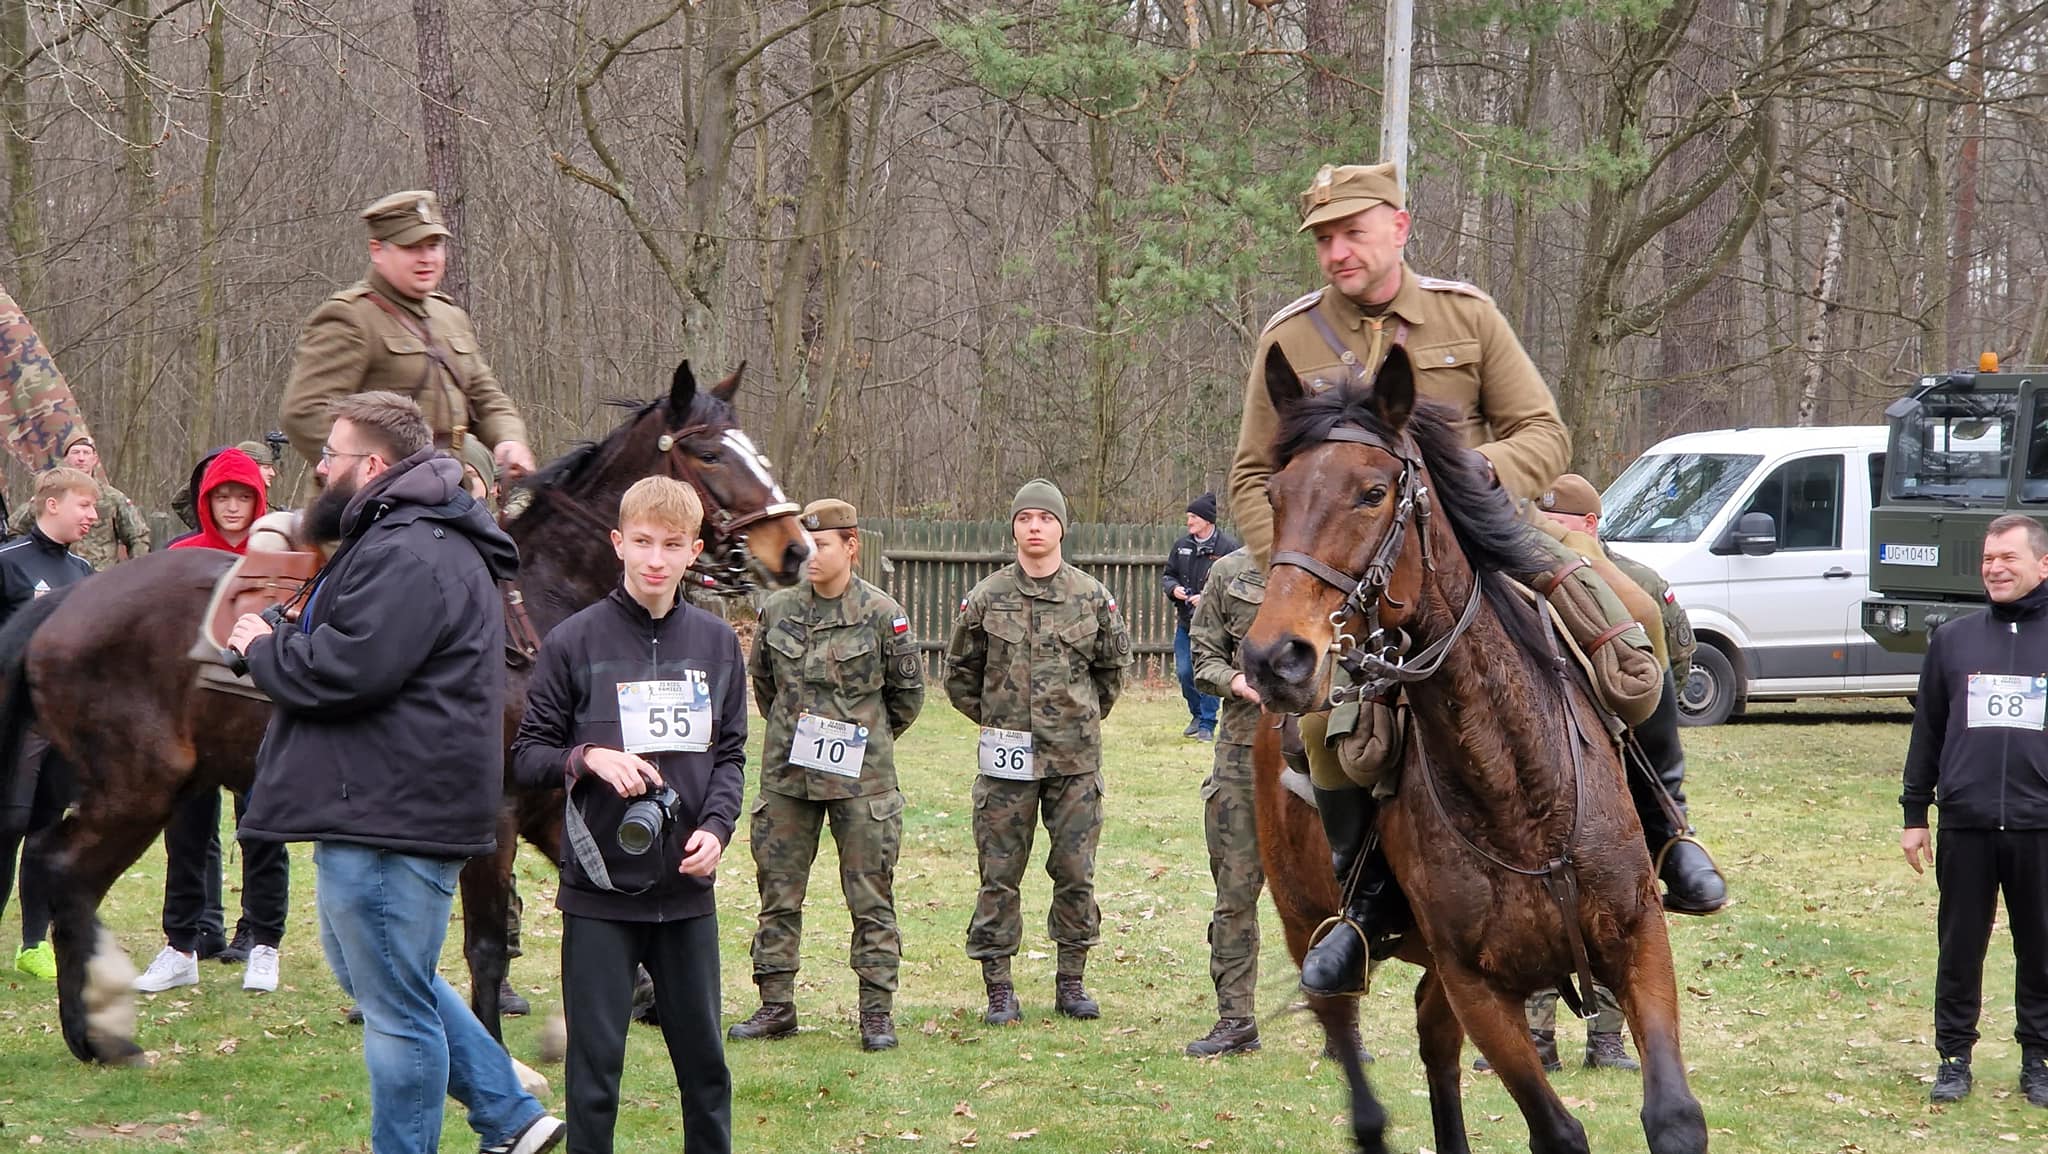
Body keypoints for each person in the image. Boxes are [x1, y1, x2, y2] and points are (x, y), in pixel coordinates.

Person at [1227, 162, 1723, 1001]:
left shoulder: (1467, 315)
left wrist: (1466, 481)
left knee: (1630, 620)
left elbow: (1543, 433)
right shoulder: (1292, 339)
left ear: (1399, 227)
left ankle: (1669, 829)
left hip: (1491, 541)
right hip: (1358, 576)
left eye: (1353, 233)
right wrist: (1299, 568)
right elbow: (1250, 473)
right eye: (1323, 239)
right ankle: (1360, 902)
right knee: (1319, 726)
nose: (1337, 252)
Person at [229, 392, 562, 1154]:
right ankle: (512, 1117)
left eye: (333, 455)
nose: (320, 467)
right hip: (388, 800)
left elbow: (351, 670)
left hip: (391, 810)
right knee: (378, 976)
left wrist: (261, 648)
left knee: (396, 1008)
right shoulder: (403, 537)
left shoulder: (410, 548)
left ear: (372, 466)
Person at [511, 475, 741, 1154]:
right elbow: (528, 757)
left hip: (686, 894)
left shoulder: (716, 643)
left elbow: (729, 757)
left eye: (672, 545)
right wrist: (587, 757)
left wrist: (717, 828)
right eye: (642, 542)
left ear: (694, 551)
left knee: (705, 1072)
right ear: (618, 543)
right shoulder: (575, 642)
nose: (655, 559)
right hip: (600, 896)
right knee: (593, 1078)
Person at [732, 498, 924, 1052]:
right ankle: (776, 1005)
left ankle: (876, 1012)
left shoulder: (882, 614)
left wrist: (862, 740)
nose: (810, 556)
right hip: (789, 778)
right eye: (805, 545)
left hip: (862, 783)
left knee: (870, 896)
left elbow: (905, 698)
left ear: (852, 547)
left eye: (823, 546)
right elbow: (764, 685)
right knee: (779, 893)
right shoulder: (778, 610)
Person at [946, 479, 1132, 1024]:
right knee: (999, 874)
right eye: (1025, 518)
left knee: (1075, 870)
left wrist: (1077, 720)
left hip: (1074, 762)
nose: (1034, 527)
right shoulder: (986, 597)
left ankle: (1071, 981)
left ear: (1061, 528)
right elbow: (960, 675)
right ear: (1013, 528)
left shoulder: (1092, 597)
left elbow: (1111, 672)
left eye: (1045, 519)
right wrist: (1001, 721)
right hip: (1005, 762)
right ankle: (999, 987)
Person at [1901, 513, 2048, 1107]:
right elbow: (1927, 731)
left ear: (2043, 563)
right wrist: (1916, 814)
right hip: (1967, 822)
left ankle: (2038, 1059)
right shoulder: (1953, 640)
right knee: (1960, 946)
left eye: (2007, 557)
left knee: (2041, 946)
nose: (1994, 568)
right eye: (1988, 558)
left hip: (2041, 825)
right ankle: (1954, 1057)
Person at [133, 448, 292, 995]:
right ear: (206, 500)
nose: (231, 506)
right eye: (222, 496)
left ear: (258, 500)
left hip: (261, 717)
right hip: (191, 719)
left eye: (242, 496)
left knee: (263, 829)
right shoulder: (179, 556)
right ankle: (182, 943)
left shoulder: (281, 561)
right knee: (186, 832)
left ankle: (265, 943)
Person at [279, 190, 537, 490]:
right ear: (377, 250)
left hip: (448, 494)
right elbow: (304, 414)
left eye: (434, 245)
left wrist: (508, 440)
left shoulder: (449, 316)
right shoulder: (350, 318)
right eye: (412, 247)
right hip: (369, 513)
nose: (427, 258)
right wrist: (369, 480)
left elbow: (487, 397)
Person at [0, 466, 97, 980]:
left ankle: (33, 943)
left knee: (45, 831)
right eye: (85, 506)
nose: (94, 516)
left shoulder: (83, 571)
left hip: (63, 726)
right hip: (16, 724)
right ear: (52, 503)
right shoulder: (9, 563)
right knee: (8, 825)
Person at [1183, 544, 1266, 1056]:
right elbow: (1203, 656)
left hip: (1324, 748)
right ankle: (1236, 1018)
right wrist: (1235, 682)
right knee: (1235, 892)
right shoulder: (1230, 573)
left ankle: (1341, 1026)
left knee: (1333, 895)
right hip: (1244, 754)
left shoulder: (1348, 561)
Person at [10, 434, 148, 571]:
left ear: (95, 459)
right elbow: (13, 530)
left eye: (86, 453)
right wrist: (28, 564)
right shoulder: (51, 495)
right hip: (56, 575)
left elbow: (138, 536)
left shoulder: (113, 498)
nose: (81, 458)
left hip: (100, 580)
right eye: (75, 452)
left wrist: (133, 573)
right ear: (66, 458)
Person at [1163, 493, 1238, 742]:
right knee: (1185, 672)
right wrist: (1173, 589)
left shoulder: (1228, 549)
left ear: (1207, 520)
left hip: (1214, 627)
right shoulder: (1181, 546)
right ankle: (1196, 714)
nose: (1189, 521)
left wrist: (1206, 598)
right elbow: (1168, 575)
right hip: (1187, 623)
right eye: (1188, 517)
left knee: (1209, 672)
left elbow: (1238, 586)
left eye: (1193, 517)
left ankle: (1208, 722)